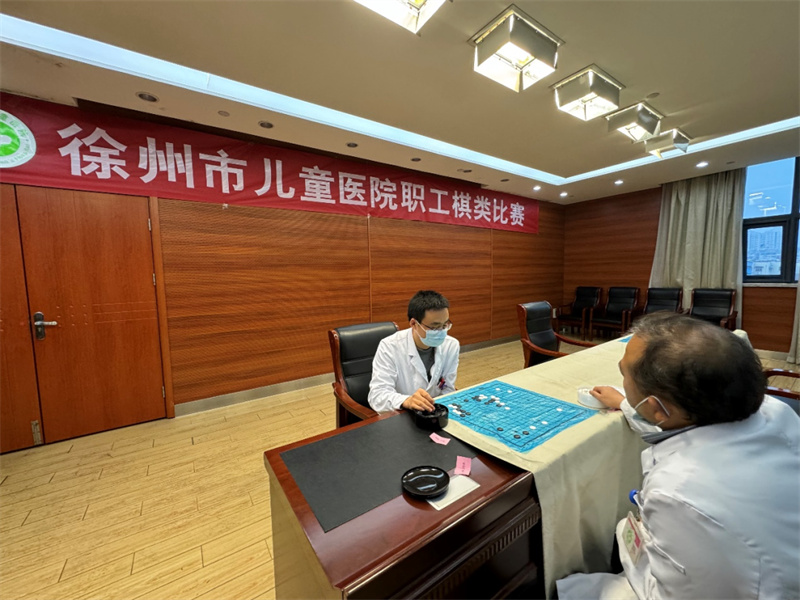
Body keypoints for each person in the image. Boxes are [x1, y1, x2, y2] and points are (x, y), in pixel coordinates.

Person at [557, 312, 800, 600]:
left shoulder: (678, 491)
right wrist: (624, 402)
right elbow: (676, 422)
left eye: (624, 374)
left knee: (573, 589)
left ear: (656, 408)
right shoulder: (775, 409)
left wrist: (629, 537)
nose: (623, 378)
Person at [368, 290, 459, 413]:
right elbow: (377, 396)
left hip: (433, 412)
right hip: (400, 413)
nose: (441, 332)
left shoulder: (451, 345)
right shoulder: (389, 346)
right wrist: (406, 400)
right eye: (434, 327)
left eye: (445, 325)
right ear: (414, 323)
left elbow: (447, 388)